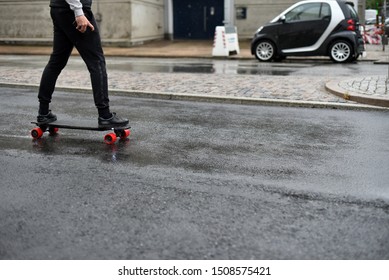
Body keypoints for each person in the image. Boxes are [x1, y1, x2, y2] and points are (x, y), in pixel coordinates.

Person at [37, 0, 128, 128]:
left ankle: (43, 112)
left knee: (56, 61)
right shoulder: (77, 10)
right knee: (96, 61)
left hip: (59, 8)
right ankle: (105, 115)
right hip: (74, 10)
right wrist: (78, 12)